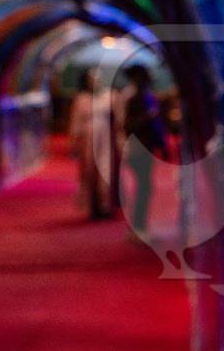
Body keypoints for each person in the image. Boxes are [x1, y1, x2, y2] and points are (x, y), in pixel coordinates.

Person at [120, 65, 167, 235]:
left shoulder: (145, 97)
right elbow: (128, 125)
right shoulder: (136, 99)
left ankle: (139, 225)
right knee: (144, 187)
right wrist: (148, 118)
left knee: (145, 187)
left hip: (144, 147)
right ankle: (138, 226)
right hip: (139, 148)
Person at [68, 70, 112, 219]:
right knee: (89, 170)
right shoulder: (81, 99)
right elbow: (75, 122)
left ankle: (105, 204)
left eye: (98, 79)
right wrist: (74, 143)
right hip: (88, 136)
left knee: (105, 169)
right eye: (92, 79)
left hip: (104, 135)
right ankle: (91, 206)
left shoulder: (107, 96)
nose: (95, 82)